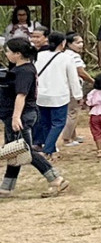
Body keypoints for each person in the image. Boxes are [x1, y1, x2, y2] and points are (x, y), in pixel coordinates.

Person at [3, 36, 65, 196]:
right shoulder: (22, 69)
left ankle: (56, 179)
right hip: (19, 114)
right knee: (14, 150)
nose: (6, 54)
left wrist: (16, 117)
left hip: (21, 114)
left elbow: (21, 95)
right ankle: (6, 186)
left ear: (17, 54)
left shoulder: (24, 71)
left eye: (8, 51)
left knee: (26, 151)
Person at [32, 29, 81, 157]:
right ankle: (48, 149)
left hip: (41, 95)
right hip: (59, 96)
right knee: (58, 123)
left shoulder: (39, 56)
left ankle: (51, 149)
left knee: (45, 123)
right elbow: (73, 79)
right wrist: (78, 95)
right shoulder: (67, 58)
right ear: (63, 43)